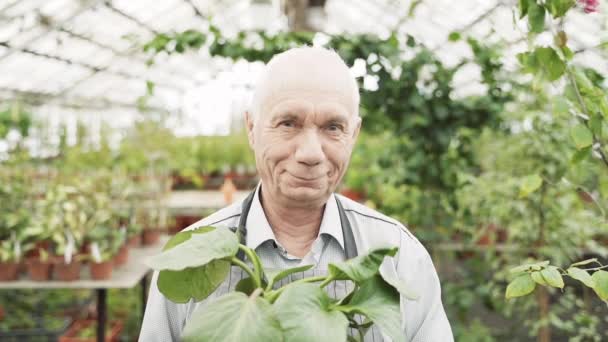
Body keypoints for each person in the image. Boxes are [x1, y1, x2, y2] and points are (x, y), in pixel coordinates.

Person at [139, 47, 453, 341]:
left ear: (353, 135)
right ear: (252, 128)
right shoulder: (191, 257)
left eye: (333, 127)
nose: (310, 153)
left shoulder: (400, 256)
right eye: (288, 123)